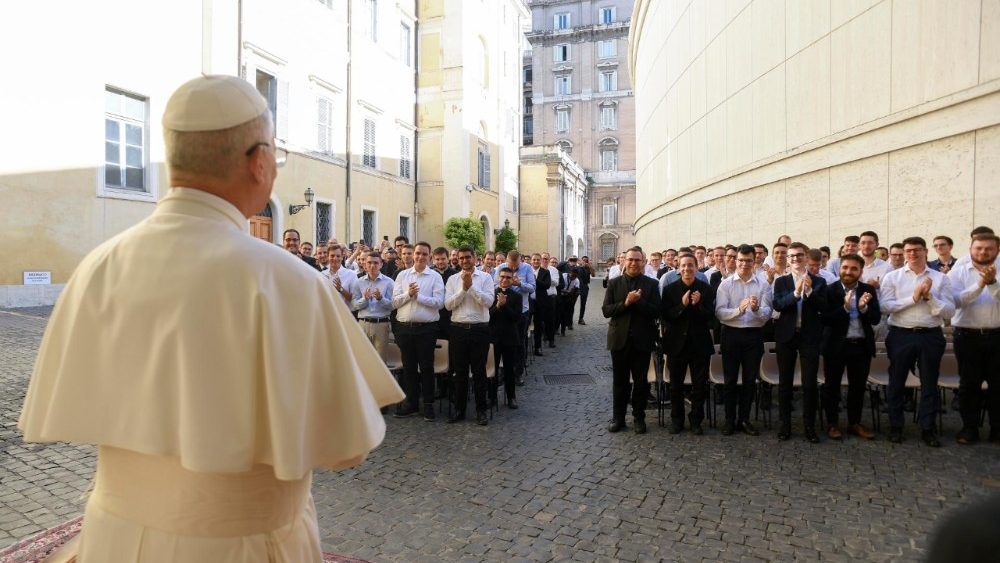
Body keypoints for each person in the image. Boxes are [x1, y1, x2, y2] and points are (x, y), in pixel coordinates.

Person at [18, 75, 403, 562]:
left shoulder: (98, 264)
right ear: (259, 161)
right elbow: (346, 448)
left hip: (114, 541)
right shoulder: (289, 282)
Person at [880, 236, 955, 446]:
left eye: (917, 250)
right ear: (904, 253)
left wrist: (929, 297)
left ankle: (928, 428)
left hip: (931, 335)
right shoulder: (893, 277)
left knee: (929, 383)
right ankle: (896, 427)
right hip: (900, 334)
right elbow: (885, 306)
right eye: (909, 250)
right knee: (896, 382)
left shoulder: (940, 278)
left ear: (926, 252)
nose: (912, 254)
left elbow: (950, 311)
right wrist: (913, 298)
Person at [947, 233, 1000, 445]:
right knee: (969, 385)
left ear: (997, 250)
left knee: (998, 385)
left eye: (988, 248)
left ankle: (997, 429)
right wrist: (980, 284)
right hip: (967, 336)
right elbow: (956, 302)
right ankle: (969, 428)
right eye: (978, 248)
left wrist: (992, 283)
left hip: (997, 336)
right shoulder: (958, 272)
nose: (983, 252)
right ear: (971, 249)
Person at [715, 244, 773, 436]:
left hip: (753, 335)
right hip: (731, 334)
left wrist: (756, 309)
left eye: (748, 260)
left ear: (754, 261)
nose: (744, 264)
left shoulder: (763, 284)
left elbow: (767, 313)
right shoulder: (726, 284)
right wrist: (738, 310)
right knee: (730, 379)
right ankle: (729, 420)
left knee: (750, 380)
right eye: (741, 260)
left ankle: (744, 419)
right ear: (735, 260)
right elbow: (720, 313)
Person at [821, 253, 880, 440]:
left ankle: (854, 423)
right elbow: (825, 319)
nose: (848, 271)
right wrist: (845, 308)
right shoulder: (829, 290)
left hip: (861, 346)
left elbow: (876, 318)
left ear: (861, 271)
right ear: (839, 269)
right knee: (832, 387)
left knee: (858, 387)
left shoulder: (868, 290)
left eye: (854, 268)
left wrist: (863, 308)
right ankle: (832, 424)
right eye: (845, 267)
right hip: (836, 346)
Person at [603, 247, 661, 434]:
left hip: (642, 340)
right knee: (619, 382)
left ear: (643, 262)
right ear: (624, 261)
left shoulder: (651, 284)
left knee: (641, 382)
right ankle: (618, 418)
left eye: (637, 260)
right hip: (619, 339)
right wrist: (626, 303)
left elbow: (656, 311)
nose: (634, 263)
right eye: (630, 259)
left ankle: (639, 418)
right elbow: (606, 311)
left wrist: (639, 302)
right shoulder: (614, 283)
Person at [772, 242, 827, 442]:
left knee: (809, 383)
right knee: (785, 383)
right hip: (786, 335)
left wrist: (809, 292)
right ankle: (785, 425)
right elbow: (778, 304)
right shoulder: (781, 281)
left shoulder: (819, 281)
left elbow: (823, 307)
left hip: (809, 336)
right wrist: (796, 294)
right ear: (788, 260)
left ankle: (809, 426)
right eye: (792, 256)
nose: (796, 259)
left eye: (799, 255)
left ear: (806, 257)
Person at [661, 253, 715, 435]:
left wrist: (698, 305)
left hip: (700, 344)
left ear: (696, 267)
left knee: (699, 386)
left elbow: (710, 317)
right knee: (675, 386)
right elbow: (666, 316)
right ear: (679, 268)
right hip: (676, 344)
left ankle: (696, 421)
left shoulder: (706, 289)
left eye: (690, 265)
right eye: (683, 265)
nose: (687, 269)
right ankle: (677, 420)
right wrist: (682, 306)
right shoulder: (670, 289)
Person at [392, 242, 445, 421]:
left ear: (430, 257)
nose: (420, 256)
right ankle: (412, 403)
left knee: (426, 367)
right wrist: (408, 295)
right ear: (413, 255)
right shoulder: (402, 275)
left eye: (424, 254)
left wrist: (418, 297)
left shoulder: (435, 277)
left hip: (426, 329)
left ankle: (428, 404)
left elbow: (439, 303)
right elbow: (394, 302)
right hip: (405, 328)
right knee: (408, 368)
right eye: (418, 253)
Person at [444, 246, 495, 424]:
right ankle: (459, 410)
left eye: (468, 257)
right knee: (460, 372)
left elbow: (488, 302)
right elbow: (448, 305)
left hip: (479, 329)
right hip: (458, 329)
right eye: (461, 258)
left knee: (479, 371)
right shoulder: (452, 279)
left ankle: (481, 411)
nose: (465, 260)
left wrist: (471, 287)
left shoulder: (486, 278)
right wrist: (463, 289)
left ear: (474, 258)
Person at [490, 266, 524, 413]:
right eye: (502, 277)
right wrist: (498, 306)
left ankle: (511, 397)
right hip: (493, 338)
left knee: (509, 369)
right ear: (498, 278)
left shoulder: (517, 296)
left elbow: (516, 318)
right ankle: (492, 397)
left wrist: (504, 306)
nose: (504, 280)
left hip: (510, 338)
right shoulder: (491, 293)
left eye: (508, 277)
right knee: (492, 370)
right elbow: (488, 316)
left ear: (512, 279)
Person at [353, 252, 396, 365]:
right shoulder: (358, 282)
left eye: (376, 263)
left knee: (380, 362)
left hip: (381, 324)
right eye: (369, 263)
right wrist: (365, 299)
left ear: (381, 264)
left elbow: (393, 305)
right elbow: (354, 305)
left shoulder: (389, 282)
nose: (372, 266)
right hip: (363, 324)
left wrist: (381, 298)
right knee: (363, 360)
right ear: (365, 264)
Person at [530, 253, 554, 355]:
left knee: (538, 325)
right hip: (529, 302)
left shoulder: (545, 272)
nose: (536, 261)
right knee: (526, 324)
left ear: (540, 261)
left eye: (538, 260)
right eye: (534, 259)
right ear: (531, 261)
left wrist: (535, 280)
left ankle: (537, 347)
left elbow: (547, 285)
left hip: (540, 302)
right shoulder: (528, 271)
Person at [558, 268, 580, 336]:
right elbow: (558, 286)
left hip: (569, 298)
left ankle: (564, 329)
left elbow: (576, 291)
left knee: (567, 313)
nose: (573, 278)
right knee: (559, 313)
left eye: (575, 276)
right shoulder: (563, 276)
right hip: (560, 296)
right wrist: (566, 291)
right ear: (569, 273)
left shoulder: (576, 280)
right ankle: (556, 328)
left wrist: (575, 293)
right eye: (572, 276)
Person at [577, 255, 594, 325]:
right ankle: (568, 320)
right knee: (572, 302)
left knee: (583, 303)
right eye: (583, 260)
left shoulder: (588, 268)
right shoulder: (578, 267)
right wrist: (581, 265)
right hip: (577, 287)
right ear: (581, 261)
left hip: (585, 286)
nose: (585, 262)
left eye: (586, 260)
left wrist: (590, 267)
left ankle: (581, 319)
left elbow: (593, 275)